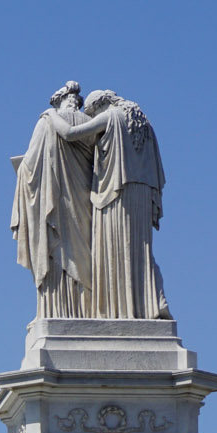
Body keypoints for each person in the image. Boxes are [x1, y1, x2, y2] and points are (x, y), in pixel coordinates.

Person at [45, 89, 170, 320]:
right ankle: (154, 302)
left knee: (116, 249)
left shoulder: (111, 116)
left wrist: (50, 114)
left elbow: (70, 133)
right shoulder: (145, 125)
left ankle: (119, 311)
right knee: (140, 249)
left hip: (117, 191)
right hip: (142, 193)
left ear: (100, 105)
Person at [12, 80, 97, 319]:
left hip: (61, 197)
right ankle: (85, 307)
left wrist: (22, 174)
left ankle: (61, 310)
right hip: (81, 195)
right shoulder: (90, 123)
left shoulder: (47, 121)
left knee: (60, 246)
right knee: (82, 247)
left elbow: (29, 165)